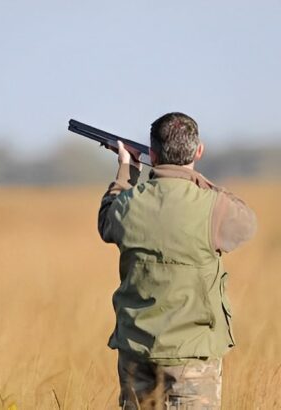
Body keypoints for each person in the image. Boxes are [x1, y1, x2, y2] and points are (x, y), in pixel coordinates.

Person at [98, 112, 257, 409]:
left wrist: (125, 171)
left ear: (153, 154)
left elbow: (106, 220)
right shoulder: (213, 206)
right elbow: (247, 222)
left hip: (136, 351)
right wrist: (196, 180)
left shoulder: (128, 205)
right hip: (193, 357)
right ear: (198, 151)